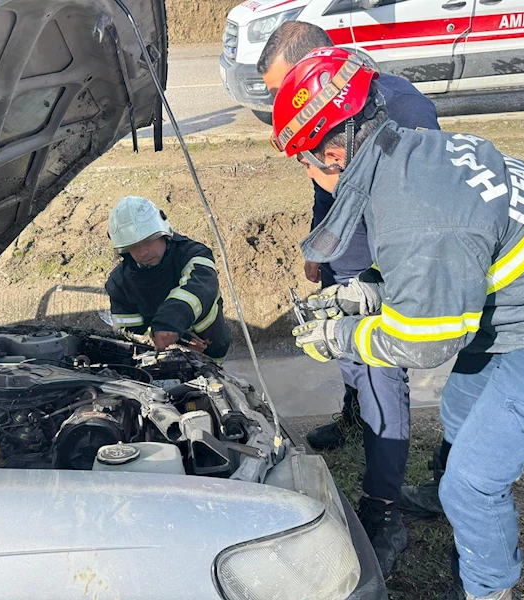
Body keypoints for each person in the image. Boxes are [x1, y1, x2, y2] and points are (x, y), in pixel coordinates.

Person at [272, 46, 524, 599]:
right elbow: (447, 270)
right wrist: (366, 293)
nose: (307, 171)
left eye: (303, 159)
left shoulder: (416, 214)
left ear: (332, 155)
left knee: (476, 483)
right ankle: (443, 500)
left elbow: (425, 341)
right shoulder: (410, 152)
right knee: (461, 410)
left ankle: (489, 588)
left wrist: (338, 335)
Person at [257, 21, 440, 576]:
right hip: (344, 255)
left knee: (383, 370)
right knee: (346, 353)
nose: (278, 104)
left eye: (280, 87)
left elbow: (421, 202)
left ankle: (384, 511)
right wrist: (320, 245)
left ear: (317, 64)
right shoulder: (322, 112)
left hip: (384, 266)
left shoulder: (401, 106)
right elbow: (323, 186)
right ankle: (356, 415)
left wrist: (381, 281)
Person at [105, 196, 232, 361]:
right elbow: (130, 334)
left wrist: (170, 322)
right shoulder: (119, 283)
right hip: (161, 358)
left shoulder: (195, 255)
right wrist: (176, 342)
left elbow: (198, 289)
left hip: (212, 347)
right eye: (133, 246)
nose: (143, 252)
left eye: (148, 241)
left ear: (162, 233)